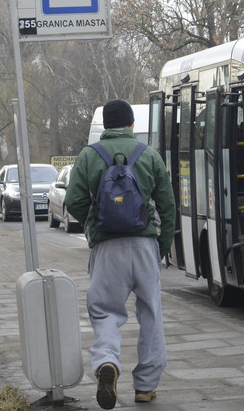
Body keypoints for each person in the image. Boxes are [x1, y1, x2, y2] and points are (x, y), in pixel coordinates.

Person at [64, 99, 176, 409]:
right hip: (144, 245)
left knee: (104, 311)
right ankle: (145, 386)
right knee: (151, 313)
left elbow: (73, 201)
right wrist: (161, 246)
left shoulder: (88, 156)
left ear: (105, 126)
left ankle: (106, 363)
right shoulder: (149, 155)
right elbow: (167, 206)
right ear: (130, 124)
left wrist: (94, 224)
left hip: (107, 248)